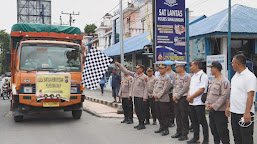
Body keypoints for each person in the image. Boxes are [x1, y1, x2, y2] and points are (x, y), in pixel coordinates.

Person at [225, 54, 256, 144]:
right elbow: (234, 93)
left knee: (246, 139)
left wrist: (247, 112)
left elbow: (251, 95)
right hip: (234, 112)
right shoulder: (235, 76)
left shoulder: (249, 77)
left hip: (244, 113)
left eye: (233, 63)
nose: (232, 65)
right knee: (237, 138)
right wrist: (228, 106)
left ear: (238, 64)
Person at [115, 62, 148, 130]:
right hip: (135, 96)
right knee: (137, 110)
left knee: (141, 110)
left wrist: (145, 97)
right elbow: (126, 71)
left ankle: (142, 124)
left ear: (141, 69)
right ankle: (139, 123)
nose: (136, 69)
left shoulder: (144, 77)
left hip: (141, 97)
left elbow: (146, 88)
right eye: (136, 68)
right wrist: (120, 66)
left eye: (138, 68)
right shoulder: (135, 75)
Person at [206, 61, 230, 144]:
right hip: (211, 110)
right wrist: (207, 103)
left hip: (220, 111)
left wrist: (214, 106)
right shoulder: (212, 80)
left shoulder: (224, 81)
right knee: (214, 130)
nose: (210, 70)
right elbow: (209, 93)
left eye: (211, 68)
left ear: (215, 68)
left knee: (222, 131)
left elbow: (224, 96)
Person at [187, 60, 209, 144]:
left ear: (196, 66)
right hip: (191, 102)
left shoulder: (203, 76)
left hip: (199, 102)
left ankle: (206, 140)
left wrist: (191, 97)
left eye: (191, 65)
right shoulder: (193, 76)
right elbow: (190, 88)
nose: (190, 67)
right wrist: (189, 96)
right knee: (194, 121)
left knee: (202, 121)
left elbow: (202, 89)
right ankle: (196, 138)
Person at [171, 61, 191, 141]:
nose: (176, 68)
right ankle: (178, 131)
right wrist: (174, 95)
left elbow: (185, 88)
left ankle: (184, 133)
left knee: (183, 116)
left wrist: (177, 96)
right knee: (177, 115)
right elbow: (174, 87)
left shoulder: (187, 76)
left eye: (177, 67)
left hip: (183, 98)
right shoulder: (177, 76)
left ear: (181, 67)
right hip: (176, 98)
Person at [153, 64, 172, 136]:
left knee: (165, 114)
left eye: (162, 68)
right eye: (159, 68)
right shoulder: (158, 77)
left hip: (163, 99)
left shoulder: (167, 77)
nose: (160, 70)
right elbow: (155, 87)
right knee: (159, 114)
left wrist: (158, 95)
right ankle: (161, 126)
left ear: (165, 69)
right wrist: (154, 94)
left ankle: (166, 129)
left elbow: (165, 89)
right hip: (157, 99)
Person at [166, 62, 176, 127]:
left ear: (169, 66)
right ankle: (167, 120)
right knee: (167, 107)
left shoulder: (172, 74)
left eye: (166, 65)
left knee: (171, 107)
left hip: (170, 92)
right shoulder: (165, 73)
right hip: (165, 92)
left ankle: (172, 121)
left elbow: (173, 83)